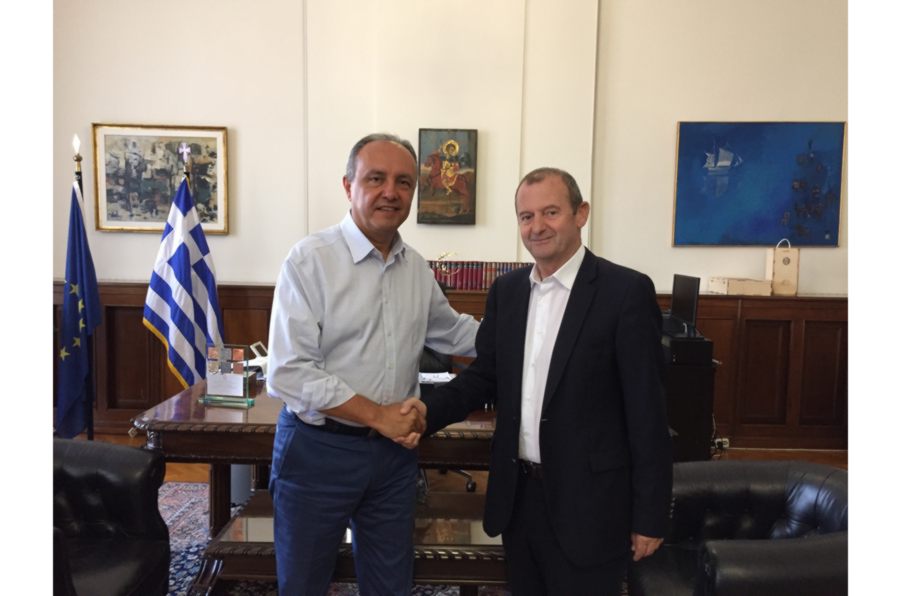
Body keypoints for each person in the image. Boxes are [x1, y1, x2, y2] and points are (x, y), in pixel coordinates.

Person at [412, 167, 672, 595]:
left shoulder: (625, 292)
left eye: (551, 212)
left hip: (591, 505)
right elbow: (485, 376)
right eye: (526, 216)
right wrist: (423, 413)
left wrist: (650, 515)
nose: (537, 227)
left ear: (581, 214)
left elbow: (647, 412)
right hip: (519, 501)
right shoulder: (508, 292)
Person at [266, 133, 479, 595]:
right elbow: (288, 371)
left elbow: (454, 332)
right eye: (375, 179)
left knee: (390, 585)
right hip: (318, 451)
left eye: (403, 182)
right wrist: (377, 415)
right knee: (303, 584)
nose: (390, 192)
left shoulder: (415, 268)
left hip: (393, 459)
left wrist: (532, 329)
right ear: (349, 186)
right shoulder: (310, 261)